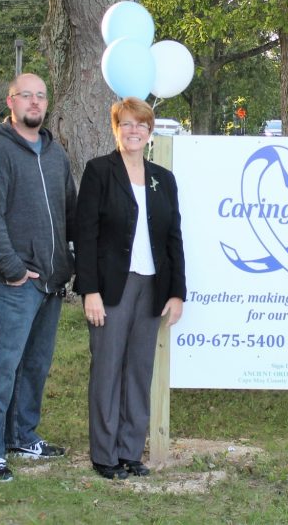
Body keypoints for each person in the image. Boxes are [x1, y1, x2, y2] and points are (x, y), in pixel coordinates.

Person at [0, 74, 77, 482]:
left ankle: (22, 435)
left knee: (35, 366)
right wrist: (11, 268)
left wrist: (71, 261)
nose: (34, 102)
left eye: (41, 96)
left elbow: (70, 211)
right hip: (14, 282)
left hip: (50, 280)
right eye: (26, 95)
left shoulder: (55, 153)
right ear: (10, 102)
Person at [74, 96, 186, 480]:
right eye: (126, 124)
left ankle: (130, 451)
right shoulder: (99, 171)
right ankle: (104, 456)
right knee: (107, 371)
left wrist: (177, 292)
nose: (134, 130)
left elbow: (174, 238)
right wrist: (89, 290)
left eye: (141, 124)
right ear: (116, 129)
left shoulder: (163, 179)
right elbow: (84, 235)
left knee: (139, 371)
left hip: (152, 288)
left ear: (150, 131)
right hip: (110, 289)